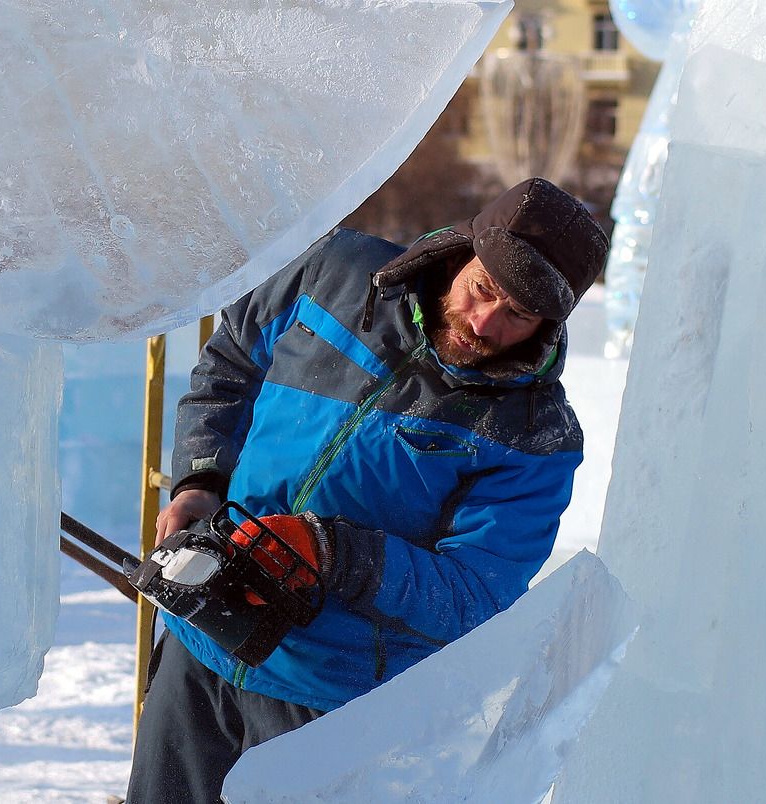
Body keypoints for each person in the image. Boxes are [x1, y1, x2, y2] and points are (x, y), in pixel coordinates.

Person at [126, 177, 609, 802]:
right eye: (482, 290)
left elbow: (475, 595)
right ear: (466, 251)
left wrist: (334, 554)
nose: (485, 322)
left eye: (518, 315)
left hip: (331, 700)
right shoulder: (333, 272)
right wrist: (202, 477)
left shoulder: (535, 437)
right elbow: (233, 362)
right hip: (203, 641)